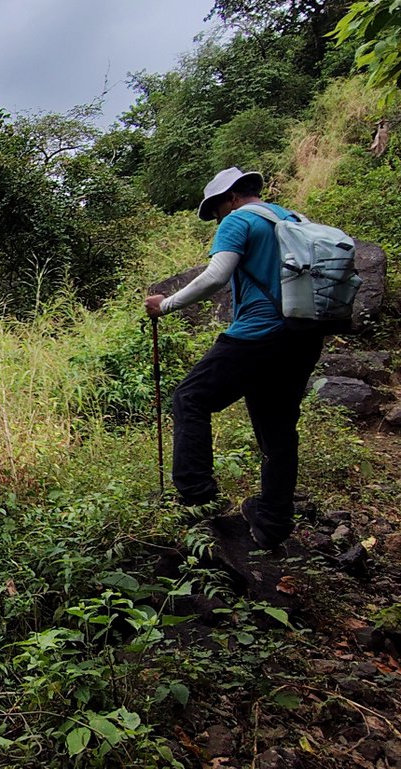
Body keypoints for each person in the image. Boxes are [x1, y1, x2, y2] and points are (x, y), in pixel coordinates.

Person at [145, 167, 324, 549]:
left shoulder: (239, 219)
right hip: (302, 336)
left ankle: (197, 499)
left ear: (230, 198)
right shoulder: (290, 219)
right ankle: (272, 523)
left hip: (258, 334)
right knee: (277, 430)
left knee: (190, 398)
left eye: (215, 211)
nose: (217, 219)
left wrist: (166, 305)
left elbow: (216, 275)